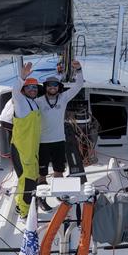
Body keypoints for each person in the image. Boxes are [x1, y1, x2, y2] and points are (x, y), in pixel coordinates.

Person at [36, 60, 84, 211]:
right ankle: (41, 200)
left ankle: (59, 194)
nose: (52, 87)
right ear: (45, 87)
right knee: (41, 173)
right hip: (42, 142)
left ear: (59, 87)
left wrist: (79, 70)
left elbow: (78, 85)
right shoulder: (37, 101)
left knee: (59, 171)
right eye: (49, 85)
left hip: (59, 141)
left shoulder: (63, 98)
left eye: (55, 85)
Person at [11, 62, 40, 219]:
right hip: (22, 150)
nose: (32, 90)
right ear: (23, 90)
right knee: (27, 181)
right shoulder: (21, 102)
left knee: (30, 179)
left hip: (31, 151)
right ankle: (23, 212)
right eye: (29, 88)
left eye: (35, 88)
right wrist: (22, 77)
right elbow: (15, 92)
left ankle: (23, 204)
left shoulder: (34, 104)